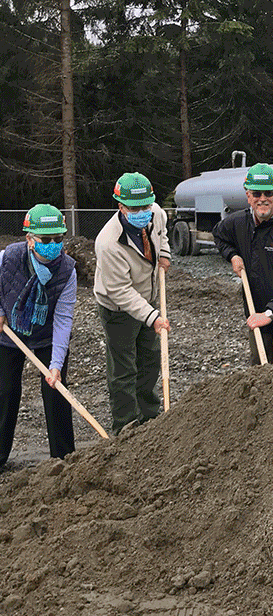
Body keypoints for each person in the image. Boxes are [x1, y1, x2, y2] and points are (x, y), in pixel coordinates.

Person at [213, 163, 273, 365]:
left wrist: (270, 313)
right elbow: (218, 235)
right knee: (259, 366)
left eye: (268, 193)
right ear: (248, 196)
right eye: (256, 194)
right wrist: (232, 255)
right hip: (257, 309)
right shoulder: (239, 222)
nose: (262, 199)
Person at [0, 205, 77, 468]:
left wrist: (55, 365)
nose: (53, 245)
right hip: (9, 334)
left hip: (45, 336)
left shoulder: (67, 270)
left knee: (56, 391)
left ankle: (64, 458)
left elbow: (63, 319)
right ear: (29, 239)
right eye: (46, 240)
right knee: (5, 392)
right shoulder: (8, 258)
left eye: (58, 239)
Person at [94, 173, 171, 435]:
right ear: (121, 207)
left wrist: (165, 255)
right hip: (118, 309)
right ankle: (126, 426)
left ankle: (149, 420)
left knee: (149, 361)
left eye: (145, 207)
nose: (142, 212)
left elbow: (162, 235)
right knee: (124, 368)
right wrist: (154, 317)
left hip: (148, 299)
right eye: (134, 208)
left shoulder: (156, 214)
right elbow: (120, 292)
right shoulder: (107, 243)